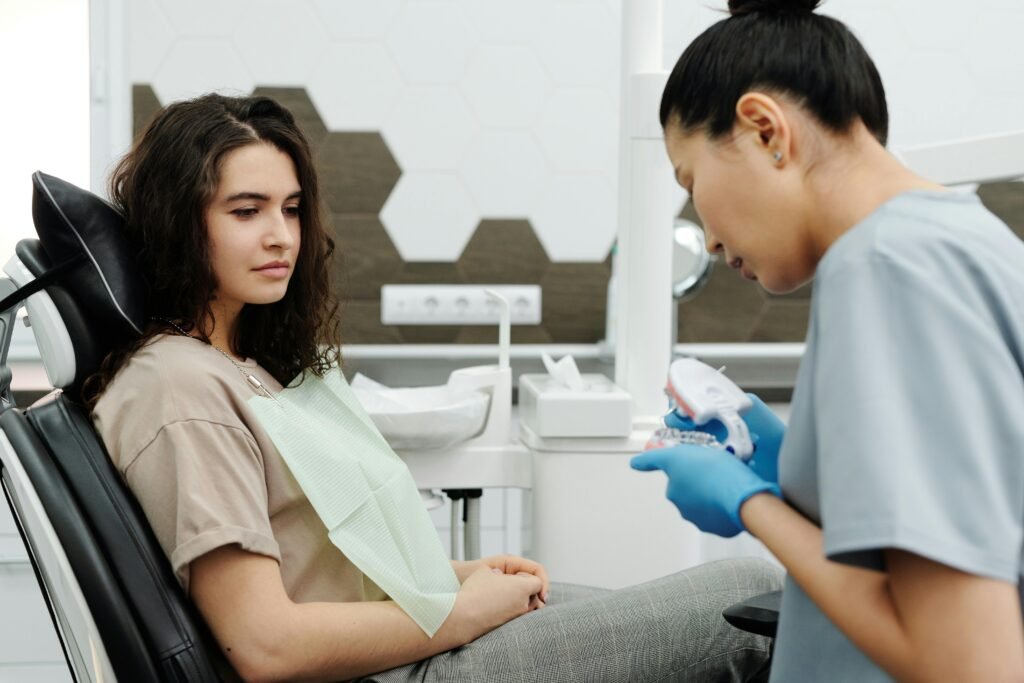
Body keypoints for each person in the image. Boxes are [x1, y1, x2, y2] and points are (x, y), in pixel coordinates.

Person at [89, 92, 782, 682]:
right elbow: (264, 643)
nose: (281, 237)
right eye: (246, 211)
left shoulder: (241, 365)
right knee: (751, 596)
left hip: (408, 642)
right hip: (399, 671)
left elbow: (320, 561)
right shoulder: (177, 386)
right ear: (181, 222)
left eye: (291, 209)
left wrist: (457, 573)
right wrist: (463, 611)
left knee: (730, 612)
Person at [631, 0, 1024, 681]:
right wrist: (792, 472)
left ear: (764, 130)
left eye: (691, 181)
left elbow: (969, 663)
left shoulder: (883, 268)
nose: (712, 237)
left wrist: (747, 502)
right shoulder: (966, 238)